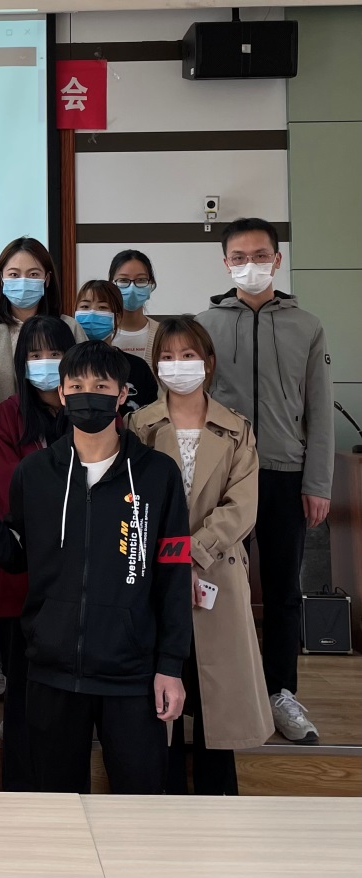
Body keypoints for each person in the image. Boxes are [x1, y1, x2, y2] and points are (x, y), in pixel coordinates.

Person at [0, 341, 192, 794]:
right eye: (77, 386)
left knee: (141, 802)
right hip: (52, 672)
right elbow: (17, 556)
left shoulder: (157, 475)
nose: (88, 395)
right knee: (58, 805)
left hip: (132, 675)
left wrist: (170, 665)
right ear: (61, 393)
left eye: (101, 387)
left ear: (122, 395)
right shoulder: (35, 473)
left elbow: (173, 575)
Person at [195, 217, 334, 744]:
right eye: (239, 257)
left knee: (281, 590)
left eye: (259, 255)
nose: (249, 265)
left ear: (277, 260)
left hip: (283, 475)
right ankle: (217, 689)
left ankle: (280, 692)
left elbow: (319, 411)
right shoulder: (204, 324)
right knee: (215, 586)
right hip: (221, 478)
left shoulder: (307, 326)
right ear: (225, 263)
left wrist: (317, 482)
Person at [130, 317, 275, 795]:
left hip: (217, 573)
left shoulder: (236, 429)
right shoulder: (139, 426)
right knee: (161, 698)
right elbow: (136, 504)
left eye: (188, 355)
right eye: (168, 357)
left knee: (218, 699)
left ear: (208, 363)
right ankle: (165, 793)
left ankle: (219, 799)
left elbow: (242, 507)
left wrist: (192, 555)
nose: (179, 365)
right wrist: (174, 563)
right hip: (155, 573)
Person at [0, 315, 77, 791]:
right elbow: (9, 497)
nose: (45, 363)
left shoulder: (93, 412)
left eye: (55, 353)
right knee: (23, 698)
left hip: (81, 580)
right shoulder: (8, 416)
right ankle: (20, 795)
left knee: (67, 699)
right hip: (23, 578)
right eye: (34, 354)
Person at [0, 236, 86, 404]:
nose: (23, 281)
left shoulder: (70, 327)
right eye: (14, 274)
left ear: (47, 279)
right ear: (1, 279)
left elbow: (87, 382)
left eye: (33, 274)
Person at [74, 279, 159, 415]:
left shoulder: (137, 368)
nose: (92, 313)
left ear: (117, 318)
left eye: (102, 307)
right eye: (85, 306)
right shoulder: (67, 364)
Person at [109, 249, 160, 367]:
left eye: (141, 280)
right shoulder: (101, 333)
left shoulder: (162, 333)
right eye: (123, 280)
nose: (132, 287)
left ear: (151, 284)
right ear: (111, 284)